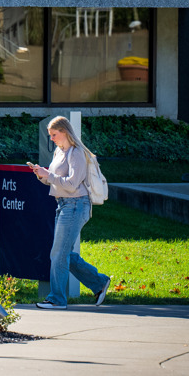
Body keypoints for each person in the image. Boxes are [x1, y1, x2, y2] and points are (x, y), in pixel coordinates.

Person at [28, 116, 113, 310]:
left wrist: (49, 175)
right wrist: (41, 174)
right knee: (63, 253)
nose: (52, 139)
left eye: (54, 134)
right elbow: (55, 180)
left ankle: (57, 299)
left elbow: (72, 184)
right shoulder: (59, 152)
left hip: (76, 204)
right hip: (63, 204)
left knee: (58, 254)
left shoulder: (76, 153)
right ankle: (99, 282)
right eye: (50, 135)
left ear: (65, 132)